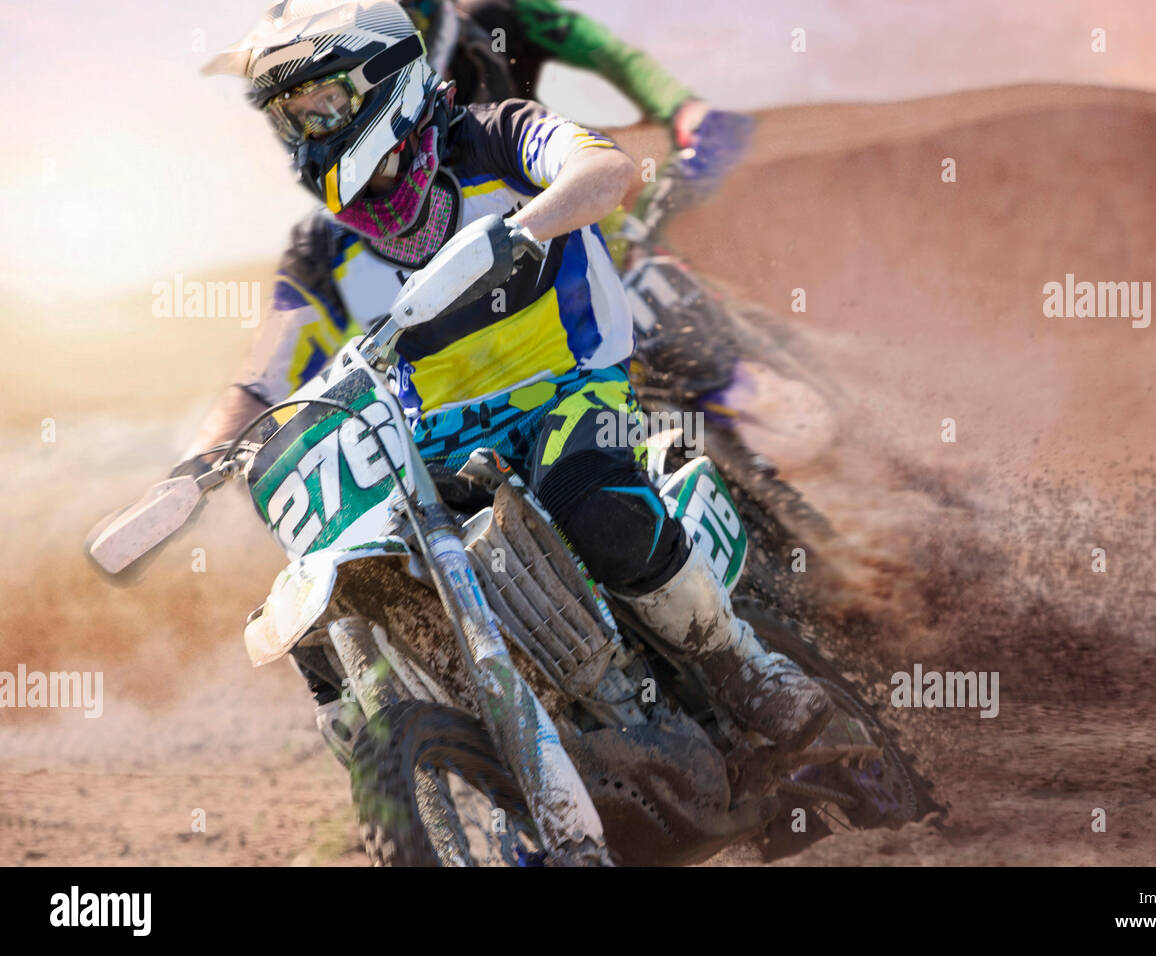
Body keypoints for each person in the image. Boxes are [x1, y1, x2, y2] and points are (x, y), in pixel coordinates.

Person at [190, 0, 829, 749]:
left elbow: (605, 166)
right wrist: (196, 464)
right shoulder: (321, 248)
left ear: (378, 77)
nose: (307, 132)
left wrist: (524, 227)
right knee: (372, 567)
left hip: (571, 380)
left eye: (321, 105)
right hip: (441, 440)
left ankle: (740, 663)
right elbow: (261, 377)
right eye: (290, 118)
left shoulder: (496, 131)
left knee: (591, 494)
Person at [403, 0, 753, 219]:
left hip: (568, 203)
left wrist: (680, 108)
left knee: (654, 283)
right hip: (451, 257)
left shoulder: (496, 15)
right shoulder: (355, 94)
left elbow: (611, 54)